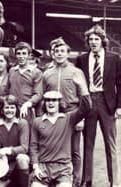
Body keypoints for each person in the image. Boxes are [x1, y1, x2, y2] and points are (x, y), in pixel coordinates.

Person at [76, 25, 121, 187]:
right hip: (88, 102)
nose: (93, 42)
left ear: (103, 40)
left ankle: (114, 182)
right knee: (88, 143)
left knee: (111, 145)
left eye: (96, 39)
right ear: (87, 42)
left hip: (107, 103)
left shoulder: (114, 58)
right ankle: (87, 181)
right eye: (90, 39)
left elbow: (120, 83)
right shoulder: (81, 59)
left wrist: (119, 106)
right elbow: (78, 85)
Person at [42, 40, 87, 187]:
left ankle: (76, 181)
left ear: (68, 54)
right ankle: (53, 177)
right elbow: (42, 95)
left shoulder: (76, 72)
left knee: (74, 150)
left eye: (62, 51)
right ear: (52, 54)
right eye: (56, 51)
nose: (59, 54)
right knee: (52, 147)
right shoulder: (47, 73)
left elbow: (83, 95)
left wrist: (81, 119)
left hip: (71, 113)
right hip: (52, 113)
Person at [30, 89, 91, 187]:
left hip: (63, 167)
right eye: (48, 100)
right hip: (43, 166)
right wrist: (36, 167)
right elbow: (33, 146)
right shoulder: (37, 121)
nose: (50, 103)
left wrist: (83, 89)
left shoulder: (68, 118)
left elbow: (86, 108)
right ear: (44, 103)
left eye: (54, 100)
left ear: (59, 103)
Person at [0, 95, 30, 187]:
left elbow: (24, 148)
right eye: (6, 107)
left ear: (16, 109)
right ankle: (6, 180)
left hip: (18, 162)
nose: (9, 110)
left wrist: (8, 150)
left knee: (22, 158)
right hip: (3, 162)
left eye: (12, 107)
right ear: (2, 110)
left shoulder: (22, 123)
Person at [9, 41, 43, 120]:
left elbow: (38, 94)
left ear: (29, 55)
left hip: (27, 110)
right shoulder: (12, 70)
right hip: (11, 111)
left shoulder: (36, 72)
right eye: (18, 53)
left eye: (24, 53)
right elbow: (7, 90)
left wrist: (27, 104)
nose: (21, 56)